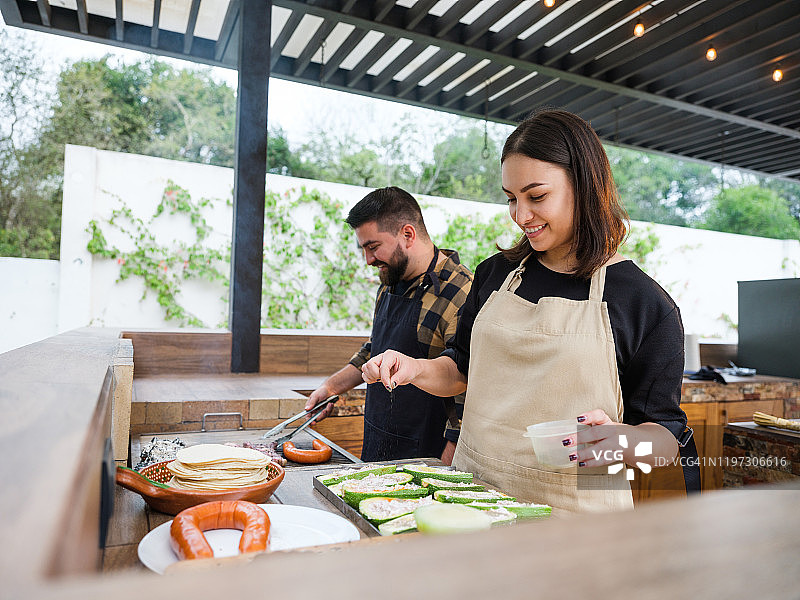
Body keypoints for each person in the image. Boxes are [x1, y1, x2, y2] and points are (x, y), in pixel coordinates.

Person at [361, 110, 700, 512]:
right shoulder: (494, 274)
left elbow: (664, 441)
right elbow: (461, 371)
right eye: (511, 198)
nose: (521, 216)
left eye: (536, 196)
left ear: (585, 186)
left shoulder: (645, 303)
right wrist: (415, 368)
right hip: (476, 494)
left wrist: (617, 441)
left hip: (579, 514)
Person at [305, 186, 473, 463]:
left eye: (373, 247)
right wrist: (331, 388)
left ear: (407, 234)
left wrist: (443, 471)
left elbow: (468, 394)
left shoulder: (462, 292)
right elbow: (375, 350)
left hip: (425, 457)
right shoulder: (391, 281)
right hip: (376, 442)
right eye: (364, 249)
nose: (368, 260)